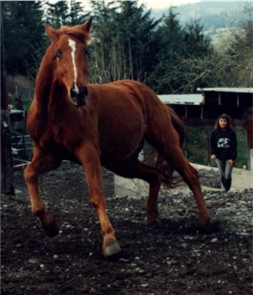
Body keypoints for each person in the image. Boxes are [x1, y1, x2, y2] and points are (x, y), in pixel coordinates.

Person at [210, 114, 237, 191]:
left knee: (227, 175)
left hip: (229, 157)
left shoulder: (231, 133)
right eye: (221, 121)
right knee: (222, 175)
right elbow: (212, 144)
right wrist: (213, 153)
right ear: (218, 122)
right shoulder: (214, 133)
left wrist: (233, 158)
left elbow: (234, 146)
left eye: (225, 121)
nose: (223, 122)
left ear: (227, 122)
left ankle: (227, 189)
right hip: (219, 157)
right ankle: (225, 190)